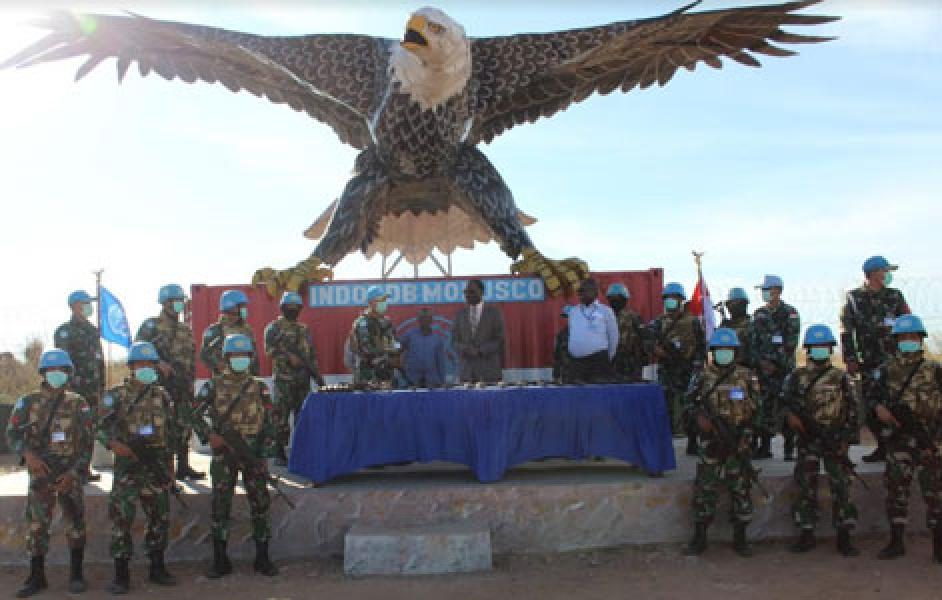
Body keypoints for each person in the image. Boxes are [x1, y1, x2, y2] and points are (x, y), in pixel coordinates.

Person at [189, 334, 278, 578]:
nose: (240, 360)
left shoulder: (259, 386)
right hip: (224, 453)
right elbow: (192, 413)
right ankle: (220, 560)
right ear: (227, 358)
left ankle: (262, 558)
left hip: (252, 452)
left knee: (260, 503)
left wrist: (264, 455)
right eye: (235, 356)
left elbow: (270, 423)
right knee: (220, 505)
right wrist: (209, 436)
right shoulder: (214, 385)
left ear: (250, 358)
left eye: (244, 356)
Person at [6, 349, 92, 597]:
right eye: (52, 370)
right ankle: (36, 576)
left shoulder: (79, 403)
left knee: (75, 523)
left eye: (62, 370)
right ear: (43, 373)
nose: (57, 374)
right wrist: (28, 455)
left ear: (69, 373)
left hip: (68, 475)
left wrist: (75, 472)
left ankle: (76, 575)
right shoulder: (28, 401)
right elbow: (12, 435)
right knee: (37, 525)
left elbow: (87, 443)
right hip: (41, 473)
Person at [98, 342, 178, 593]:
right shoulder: (116, 395)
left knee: (160, 518)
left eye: (150, 364)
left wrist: (170, 467)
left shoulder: (163, 396)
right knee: (122, 519)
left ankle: (157, 567)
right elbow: (98, 426)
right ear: (131, 367)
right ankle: (121, 574)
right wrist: (113, 444)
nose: (145, 368)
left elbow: (171, 434)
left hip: (155, 466)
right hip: (128, 469)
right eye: (140, 364)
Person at [869, 315, 942, 563]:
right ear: (896, 340)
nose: (908, 341)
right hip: (899, 442)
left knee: (935, 494)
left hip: (930, 441)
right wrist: (879, 409)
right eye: (903, 337)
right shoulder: (885, 370)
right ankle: (896, 541)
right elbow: (871, 400)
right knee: (896, 492)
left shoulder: (934, 370)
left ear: (920, 339)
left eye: (912, 337)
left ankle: (938, 545)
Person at [782, 324, 860, 556]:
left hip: (835, 440)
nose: (819, 350)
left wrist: (846, 439)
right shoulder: (796, 377)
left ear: (830, 348)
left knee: (842, 487)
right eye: (815, 346)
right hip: (808, 441)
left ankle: (844, 536)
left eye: (823, 346)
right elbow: (783, 405)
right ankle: (806, 533)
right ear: (807, 349)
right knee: (806, 486)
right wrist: (790, 418)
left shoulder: (841, 377)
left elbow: (854, 410)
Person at [684, 328, 761, 557]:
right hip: (711, 444)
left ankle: (741, 538)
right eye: (720, 350)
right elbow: (688, 404)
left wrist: (746, 435)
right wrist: (699, 419)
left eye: (728, 350)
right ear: (713, 352)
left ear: (735, 352)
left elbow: (758, 409)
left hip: (738, 442)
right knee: (705, 490)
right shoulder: (701, 376)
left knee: (741, 490)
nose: (724, 354)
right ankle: (699, 538)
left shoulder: (747, 376)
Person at [841, 255, 910, 464]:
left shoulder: (895, 296)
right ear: (873, 273)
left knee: (898, 402)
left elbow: (908, 323)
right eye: (884, 271)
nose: (887, 275)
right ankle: (881, 445)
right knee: (872, 404)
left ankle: (900, 444)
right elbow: (847, 330)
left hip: (896, 361)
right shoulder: (854, 298)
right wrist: (850, 358)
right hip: (869, 361)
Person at [136, 284, 204, 481]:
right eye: (176, 301)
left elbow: (191, 357)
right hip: (159, 386)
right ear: (165, 303)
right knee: (162, 426)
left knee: (183, 425)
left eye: (181, 301)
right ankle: (164, 469)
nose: (180, 304)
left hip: (182, 385)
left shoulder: (185, 329)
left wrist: (191, 380)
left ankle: (183, 466)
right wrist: (158, 363)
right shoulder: (152, 325)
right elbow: (139, 350)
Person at [264, 291, 324, 466]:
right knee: (280, 418)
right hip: (284, 380)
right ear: (282, 308)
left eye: (296, 307)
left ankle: (301, 451)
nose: (293, 310)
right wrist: (288, 357)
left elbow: (310, 354)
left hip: (302, 380)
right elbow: (269, 351)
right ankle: (279, 452)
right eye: (289, 307)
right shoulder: (274, 328)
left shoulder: (303, 329)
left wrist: (316, 373)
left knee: (302, 416)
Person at [646, 282, 706, 446]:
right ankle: (665, 440)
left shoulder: (693, 322)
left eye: (673, 299)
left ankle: (692, 440)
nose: (670, 302)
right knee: (665, 405)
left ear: (681, 300)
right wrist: (656, 350)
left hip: (687, 369)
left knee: (691, 405)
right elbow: (647, 341)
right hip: (667, 369)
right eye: (667, 299)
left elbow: (701, 346)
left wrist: (698, 365)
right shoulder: (659, 322)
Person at [54, 290, 104, 482]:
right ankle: (70, 471)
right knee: (70, 431)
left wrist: (101, 388)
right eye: (85, 303)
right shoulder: (65, 331)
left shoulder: (92, 331)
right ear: (74, 305)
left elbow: (99, 362)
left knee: (87, 430)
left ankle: (84, 469)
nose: (88, 306)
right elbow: (62, 363)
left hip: (92, 392)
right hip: (73, 391)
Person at [751, 275, 800, 460]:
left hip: (784, 371)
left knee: (787, 407)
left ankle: (789, 448)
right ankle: (764, 447)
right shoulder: (759, 314)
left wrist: (775, 364)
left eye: (767, 290)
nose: (764, 293)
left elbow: (791, 342)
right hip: (763, 372)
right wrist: (761, 363)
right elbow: (753, 343)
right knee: (763, 408)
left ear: (777, 290)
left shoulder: (790, 313)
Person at [565, 278, 618, 384]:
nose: (579, 293)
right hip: (576, 363)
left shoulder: (606, 311)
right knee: (576, 396)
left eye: (583, 290)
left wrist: (607, 358)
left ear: (594, 292)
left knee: (598, 394)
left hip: (598, 362)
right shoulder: (573, 312)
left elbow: (614, 336)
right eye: (579, 290)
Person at [452, 279, 505, 383]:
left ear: (481, 292)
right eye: (465, 292)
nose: (467, 295)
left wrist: (481, 350)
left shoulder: (494, 313)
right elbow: (454, 341)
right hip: (466, 374)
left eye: (471, 291)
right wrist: (466, 348)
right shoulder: (460, 315)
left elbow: (500, 339)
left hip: (489, 373)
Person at [200, 289, 259, 376]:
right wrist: (217, 365)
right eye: (241, 306)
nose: (244, 309)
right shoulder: (215, 330)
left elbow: (254, 355)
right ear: (230, 306)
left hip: (246, 381)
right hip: (224, 382)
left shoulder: (247, 330)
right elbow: (204, 355)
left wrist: (256, 376)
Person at [350, 286, 399, 386]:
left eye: (385, 300)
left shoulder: (386, 322)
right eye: (382, 300)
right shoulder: (362, 323)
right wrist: (387, 352)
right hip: (369, 376)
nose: (385, 303)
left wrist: (397, 351)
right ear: (372, 302)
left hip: (387, 375)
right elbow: (367, 350)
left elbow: (394, 344)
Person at [606, 282, 645, 382]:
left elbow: (645, 340)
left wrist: (640, 361)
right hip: (608, 365)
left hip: (630, 365)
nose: (615, 300)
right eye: (612, 298)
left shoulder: (634, 318)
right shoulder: (604, 317)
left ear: (625, 300)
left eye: (618, 297)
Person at [400, 308, 448, 387]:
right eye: (422, 318)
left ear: (431, 320)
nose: (425, 320)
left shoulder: (437, 338)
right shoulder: (410, 335)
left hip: (432, 381)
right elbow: (398, 346)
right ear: (418, 320)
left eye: (427, 318)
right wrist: (391, 343)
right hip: (412, 380)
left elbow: (440, 361)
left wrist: (442, 381)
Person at [719, 287, 754, 369]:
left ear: (743, 304)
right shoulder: (725, 325)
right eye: (728, 304)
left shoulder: (752, 325)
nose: (729, 307)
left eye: (732, 303)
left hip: (745, 370)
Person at [552, 309, 570, 383]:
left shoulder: (583, 332)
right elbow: (557, 356)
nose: (566, 319)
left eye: (567, 317)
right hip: (566, 375)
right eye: (565, 317)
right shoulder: (561, 333)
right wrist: (556, 376)